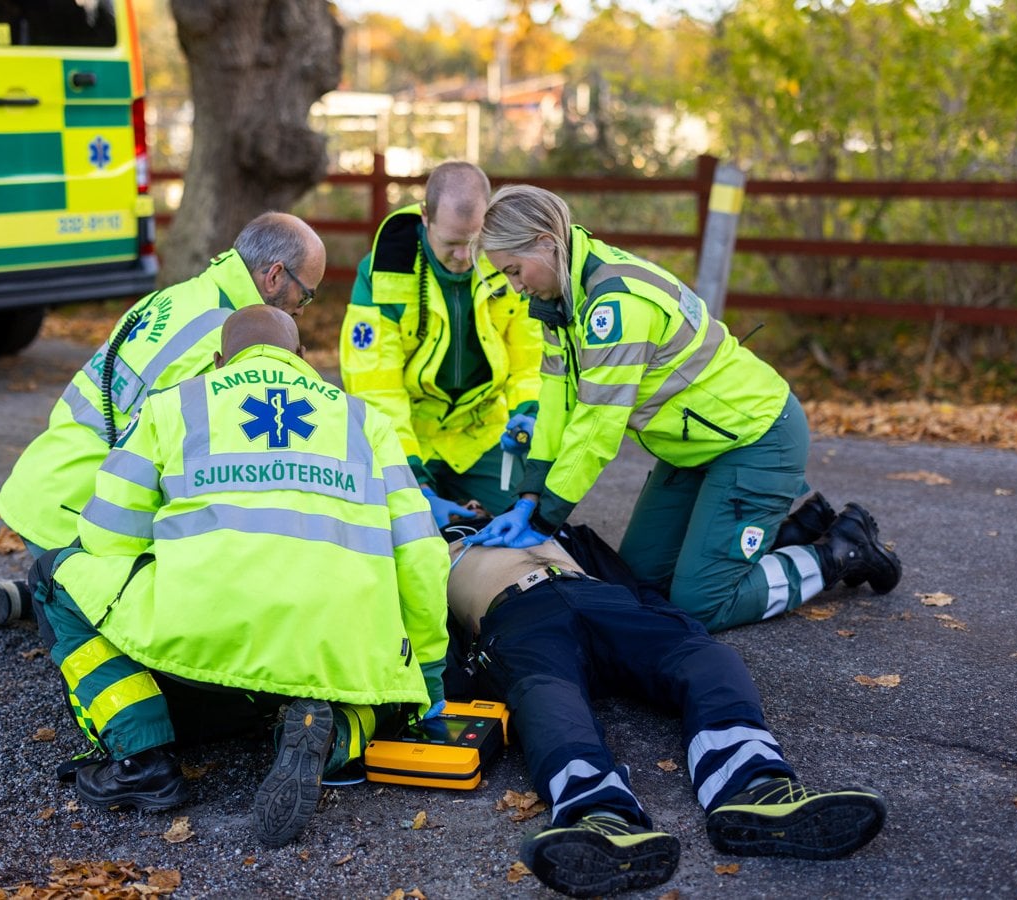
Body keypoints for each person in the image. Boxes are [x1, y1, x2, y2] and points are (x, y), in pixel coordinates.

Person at [26, 305, 450, 847]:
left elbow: (107, 537)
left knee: (55, 576)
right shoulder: (364, 420)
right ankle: (333, 736)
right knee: (391, 692)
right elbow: (423, 556)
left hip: (204, 635)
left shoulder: (174, 405)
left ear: (218, 360)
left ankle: (140, 755)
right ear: (302, 357)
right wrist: (427, 679)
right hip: (334, 644)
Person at [465, 185, 902, 632]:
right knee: (642, 583)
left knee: (701, 604)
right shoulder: (563, 300)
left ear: (546, 243)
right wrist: (528, 496)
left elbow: (597, 425)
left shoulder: (617, 304)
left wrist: (545, 517)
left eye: (515, 270)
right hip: (693, 449)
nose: (516, 287)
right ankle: (799, 530)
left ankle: (839, 551)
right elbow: (557, 403)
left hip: (756, 438)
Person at [440, 517, 887, 898]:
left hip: (604, 600)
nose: (474, 505)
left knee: (707, 659)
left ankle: (757, 786)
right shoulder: (434, 542)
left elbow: (627, 577)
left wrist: (669, 622)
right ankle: (601, 817)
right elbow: (431, 624)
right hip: (517, 616)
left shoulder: (553, 524)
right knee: (547, 698)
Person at [0, 212, 326, 625]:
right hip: (86, 516)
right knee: (186, 617)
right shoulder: (226, 347)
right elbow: (203, 478)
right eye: (306, 296)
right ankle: (65, 598)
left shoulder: (179, 296)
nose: (302, 311)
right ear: (274, 276)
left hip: (46, 489)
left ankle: (50, 590)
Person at [339, 161, 542, 528]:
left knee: (528, 522)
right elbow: (376, 390)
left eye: (474, 242)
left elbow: (530, 362)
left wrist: (528, 415)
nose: (464, 257)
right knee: (391, 530)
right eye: (451, 244)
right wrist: (415, 483)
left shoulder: (508, 261)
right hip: (410, 438)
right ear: (425, 217)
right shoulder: (382, 274)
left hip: (482, 436)